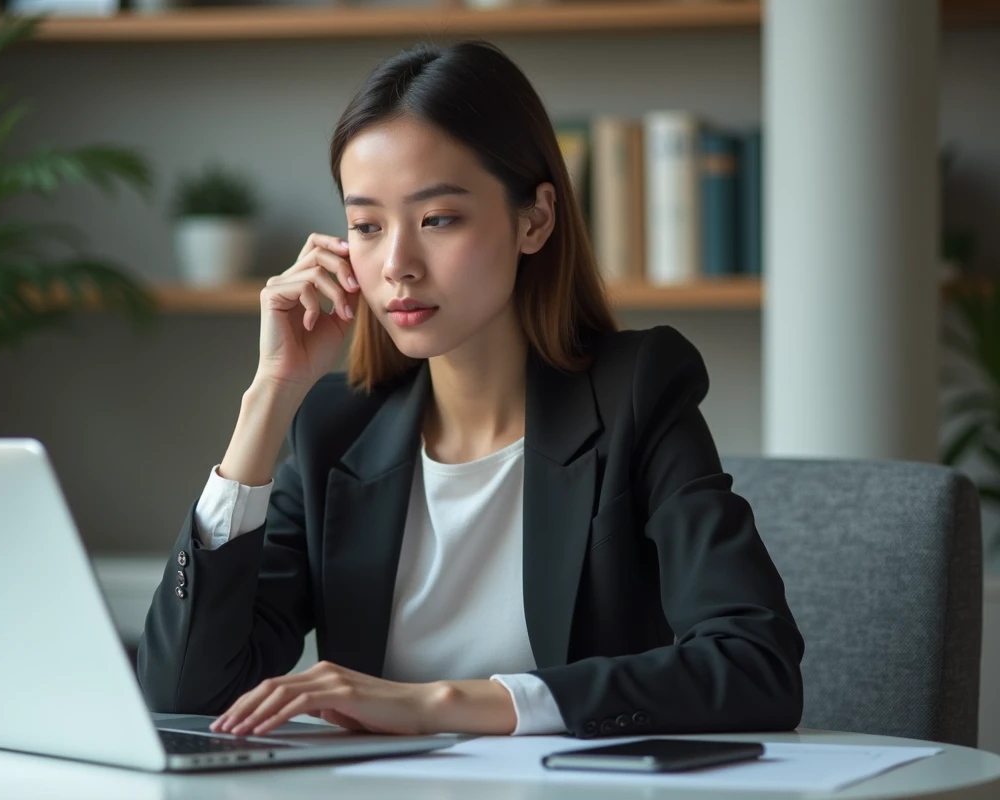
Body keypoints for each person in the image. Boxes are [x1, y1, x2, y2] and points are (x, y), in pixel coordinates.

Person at [137, 40, 804, 739]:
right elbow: (186, 694)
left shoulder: (637, 394)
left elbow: (755, 666)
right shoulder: (334, 431)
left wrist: (444, 704)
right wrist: (270, 395)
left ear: (534, 220)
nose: (397, 265)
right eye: (366, 226)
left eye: (438, 219)